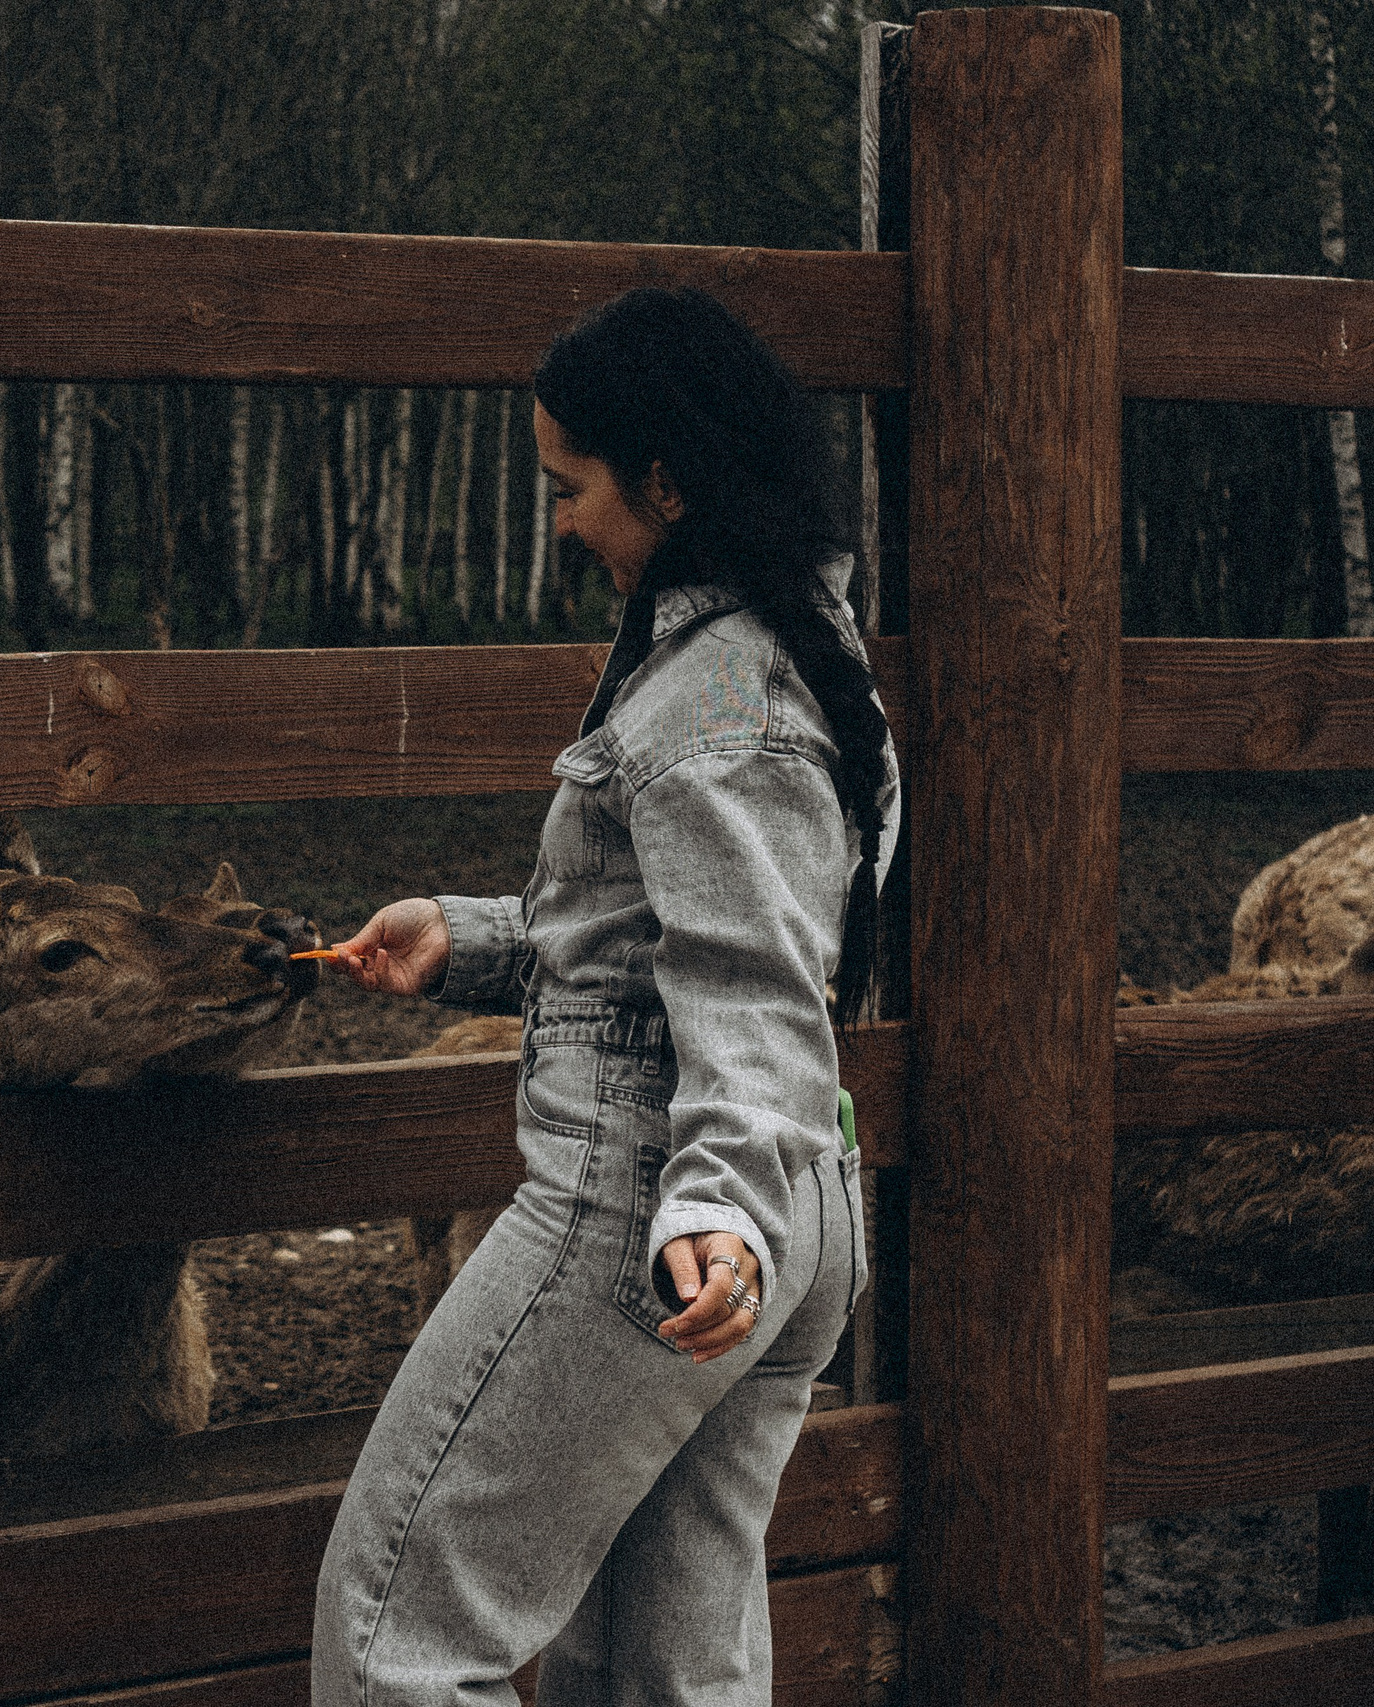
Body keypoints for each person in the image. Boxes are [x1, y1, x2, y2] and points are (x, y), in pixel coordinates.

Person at [311, 286, 895, 1707]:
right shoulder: (790, 650)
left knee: (397, 1642)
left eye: (570, 487)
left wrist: (708, 1212)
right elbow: (705, 930)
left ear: (668, 481)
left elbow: (753, 984)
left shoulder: (716, 704)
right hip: (787, 1207)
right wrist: (475, 941)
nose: (561, 522)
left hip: (661, 1216)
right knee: (661, 1668)